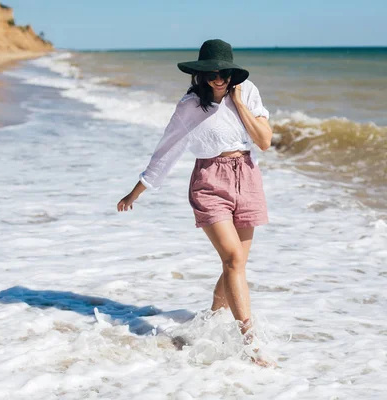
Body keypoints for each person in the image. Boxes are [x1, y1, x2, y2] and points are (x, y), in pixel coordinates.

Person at [116, 39, 273, 357]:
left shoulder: (248, 91)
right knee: (232, 259)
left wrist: (239, 103)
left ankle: (212, 318)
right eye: (211, 72)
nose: (219, 78)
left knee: (236, 262)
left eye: (224, 72)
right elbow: (167, 150)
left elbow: (265, 141)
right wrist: (137, 190)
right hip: (210, 181)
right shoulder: (190, 105)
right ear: (200, 74)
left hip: (248, 176)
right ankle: (250, 342)